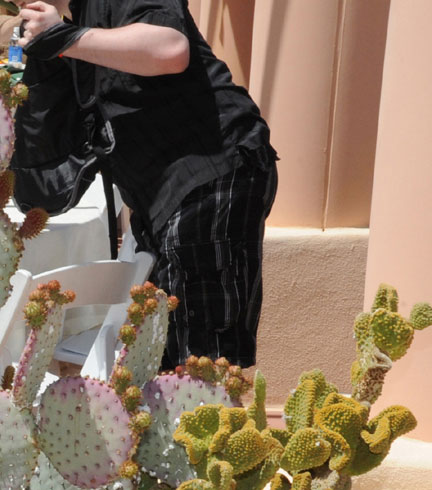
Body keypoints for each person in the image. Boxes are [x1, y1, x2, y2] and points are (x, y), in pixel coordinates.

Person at [17, 0, 278, 370]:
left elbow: (169, 49)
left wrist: (65, 37)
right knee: (166, 356)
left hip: (208, 171)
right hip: (165, 196)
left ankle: (207, 425)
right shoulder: (79, 19)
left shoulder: (88, 21)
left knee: (204, 361)